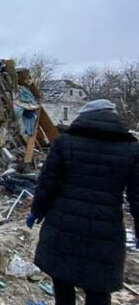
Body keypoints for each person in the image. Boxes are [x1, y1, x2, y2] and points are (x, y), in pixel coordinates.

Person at [27, 99, 138, 305]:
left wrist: (37, 211)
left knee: (62, 284)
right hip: (105, 230)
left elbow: (47, 183)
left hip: (63, 224)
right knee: (98, 288)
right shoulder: (131, 149)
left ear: (83, 117)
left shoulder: (65, 142)